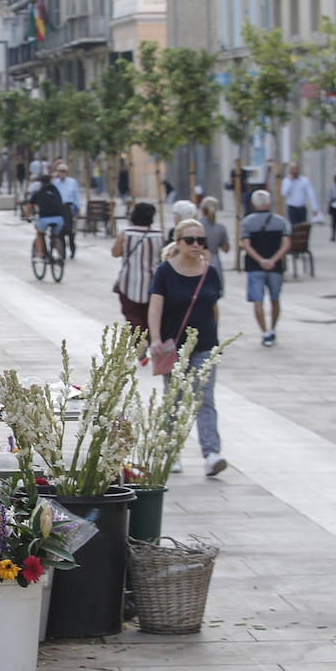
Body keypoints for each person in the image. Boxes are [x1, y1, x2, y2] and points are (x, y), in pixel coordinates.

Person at [147, 219, 227, 477]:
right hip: (174, 347)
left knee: (205, 399)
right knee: (174, 400)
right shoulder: (165, 272)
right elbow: (155, 306)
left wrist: (216, 340)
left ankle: (211, 453)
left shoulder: (210, 272)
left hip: (204, 346)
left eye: (200, 240)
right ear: (178, 242)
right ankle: (172, 452)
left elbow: (214, 308)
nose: (196, 245)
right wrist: (156, 338)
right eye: (190, 240)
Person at [240, 189, 291, 347]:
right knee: (275, 299)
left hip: (255, 266)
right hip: (275, 267)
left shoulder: (247, 222)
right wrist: (273, 260)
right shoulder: (281, 222)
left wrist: (261, 260)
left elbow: (246, 245)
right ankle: (272, 328)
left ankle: (264, 332)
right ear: (269, 203)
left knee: (258, 299)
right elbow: (286, 244)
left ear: (254, 204)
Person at [111, 202, 164, 332]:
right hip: (152, 284)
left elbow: (115, 253)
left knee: (132, 316)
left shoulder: (126, 233)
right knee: (149, 317)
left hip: (128, 283)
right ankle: (146, 340)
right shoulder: (159, 235)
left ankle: (139, 343)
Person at [198, 195, 230, 295]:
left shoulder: (196, 225)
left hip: (198, 260)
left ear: (201, 209)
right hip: (215, 261)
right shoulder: (220, 228)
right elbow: (226, 248)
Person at [31, 174, 65, 258]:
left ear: (41, 183)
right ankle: (59, 252)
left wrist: (27, 215)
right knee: (55, 235)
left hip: (44, 218)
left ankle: (41, 253)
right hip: (59, 219)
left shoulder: (39, 192)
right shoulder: (56, 191)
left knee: (39, 233)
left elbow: (29, 204)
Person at [53, 164, 81, 259]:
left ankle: (72, 249)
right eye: (60, 171)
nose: (61, 173)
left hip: (69, 208)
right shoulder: (56, 182)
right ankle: (63, 252)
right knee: (60, 230)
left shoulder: (72, 182)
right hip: (59, 207)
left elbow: (76, 195)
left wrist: (78, 208)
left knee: (70, 231)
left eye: (63, 171)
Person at [329, 174, 336, 241]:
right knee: (334, 222)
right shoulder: (332, 187)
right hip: (334, 206)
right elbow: (329, 198)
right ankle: (333, 236)